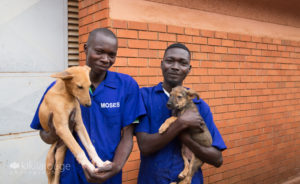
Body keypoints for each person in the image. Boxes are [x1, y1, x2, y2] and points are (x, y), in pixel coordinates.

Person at [30, 28, 146, 184]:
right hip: (69, 177)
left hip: (108, 174)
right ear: (86, 48)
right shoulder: (59, 88)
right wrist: (54, 133)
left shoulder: (126, 85)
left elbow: (127, 135)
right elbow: (44, 133)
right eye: (99, 52)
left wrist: (116, 167)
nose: (106, 59)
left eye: (112, 55)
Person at [135, 43, 227, 184]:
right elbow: (145, 147)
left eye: (182, 63)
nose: (175, 67)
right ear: (162, 64)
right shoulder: (144, 97)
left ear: (188, 69)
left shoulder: (200, 106)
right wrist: (181, 123)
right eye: (170, 61)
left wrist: (187, 140)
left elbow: (217, 159)